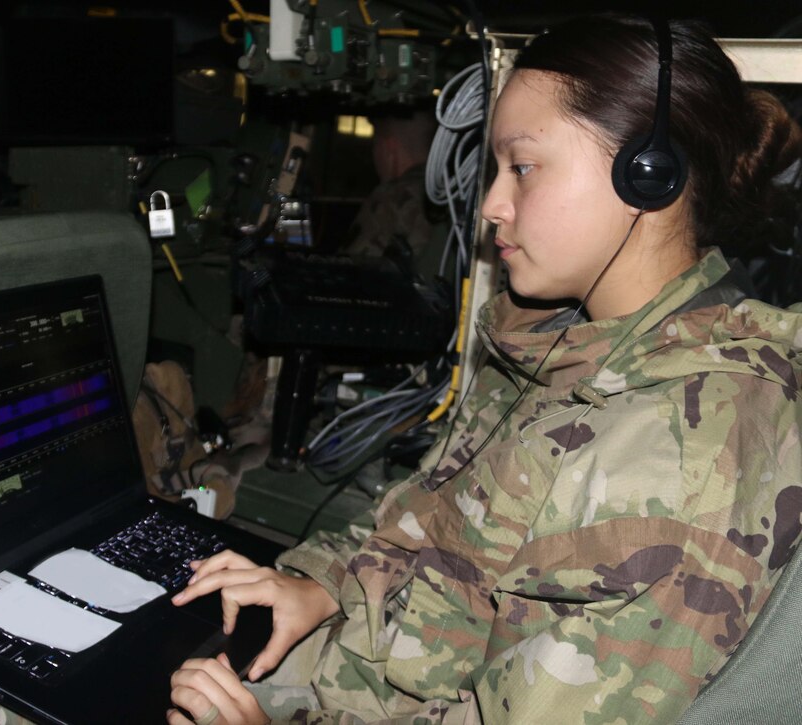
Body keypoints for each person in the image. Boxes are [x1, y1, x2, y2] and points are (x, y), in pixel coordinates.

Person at [167, 14, 802, 725]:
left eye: (522, 167)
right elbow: (432, 516)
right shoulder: (565, 341)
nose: (493, 204)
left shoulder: (678, 453)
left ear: (647, 176)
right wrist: (324, 584)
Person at [342, 110, 439, 274]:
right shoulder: (452, 193)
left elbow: (350, 270)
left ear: (389, 150)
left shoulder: (390, 197)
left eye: (375, 145)